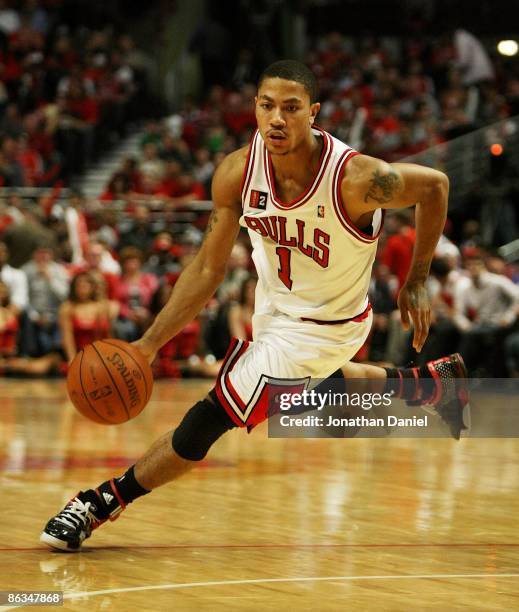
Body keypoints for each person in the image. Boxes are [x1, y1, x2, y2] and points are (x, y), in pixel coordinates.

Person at [41, 60, 469, 552]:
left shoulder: (355, 178)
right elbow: (206, 269)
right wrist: (148, 344)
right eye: (267, 106)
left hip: (328, 324)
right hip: (273, 309)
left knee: (212, 415)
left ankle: (99, 503)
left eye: (291, 108)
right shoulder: (238, 173)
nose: (277, 119)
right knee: (308, 387)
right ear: (255, 109)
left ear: (314, 113)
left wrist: (416, 280)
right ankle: (432, 384)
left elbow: (435, 185)